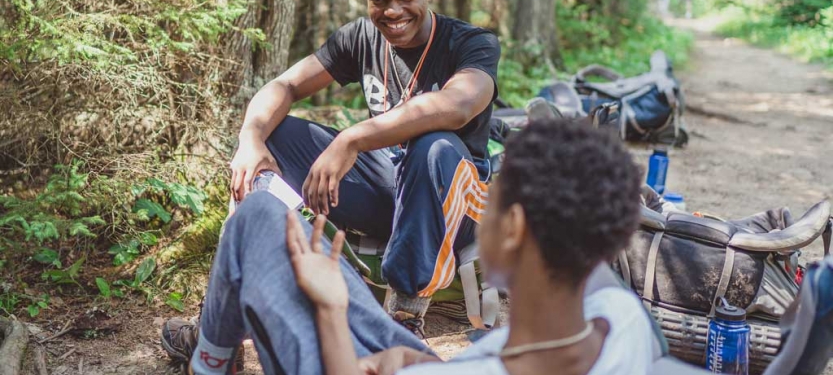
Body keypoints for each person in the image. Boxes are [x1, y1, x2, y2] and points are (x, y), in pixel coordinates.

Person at [162, 0, 501, 365]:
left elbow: (459, 105)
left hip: (461, 201)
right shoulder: (360, 38)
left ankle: (403, 319)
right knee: (276, 137)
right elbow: (284, 84)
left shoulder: (470, 42)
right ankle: (222, 325)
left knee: (434, 145)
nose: (392, 10)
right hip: (390, 192)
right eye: (380, 0)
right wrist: (249, 140)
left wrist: (352, 138)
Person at [179, 119, 655, 375]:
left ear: (511, 228)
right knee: (308, 256)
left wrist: (330, 308)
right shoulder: (622, 320)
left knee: (259, 217)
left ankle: (210, 360)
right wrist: (411, 358)